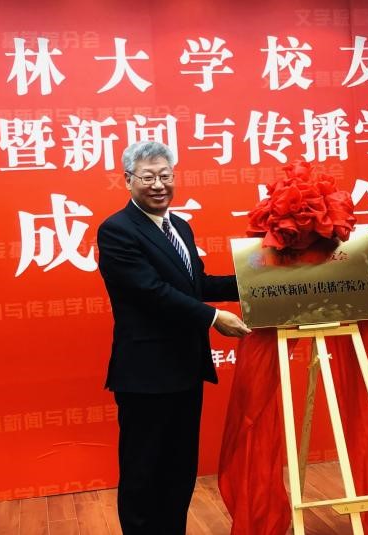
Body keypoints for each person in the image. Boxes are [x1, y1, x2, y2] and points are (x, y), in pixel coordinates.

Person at [97, 140, 251, 535]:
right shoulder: (117, 230)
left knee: (179, 469)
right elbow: (150, 292)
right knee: (144, 471)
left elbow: (196, 283)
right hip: (145, 375)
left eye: (165, 176)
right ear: (128, 180)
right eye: (147, 177)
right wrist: (213, 318)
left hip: (185, 368)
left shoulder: (179, 226)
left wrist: (259, 282)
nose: (158, 185)